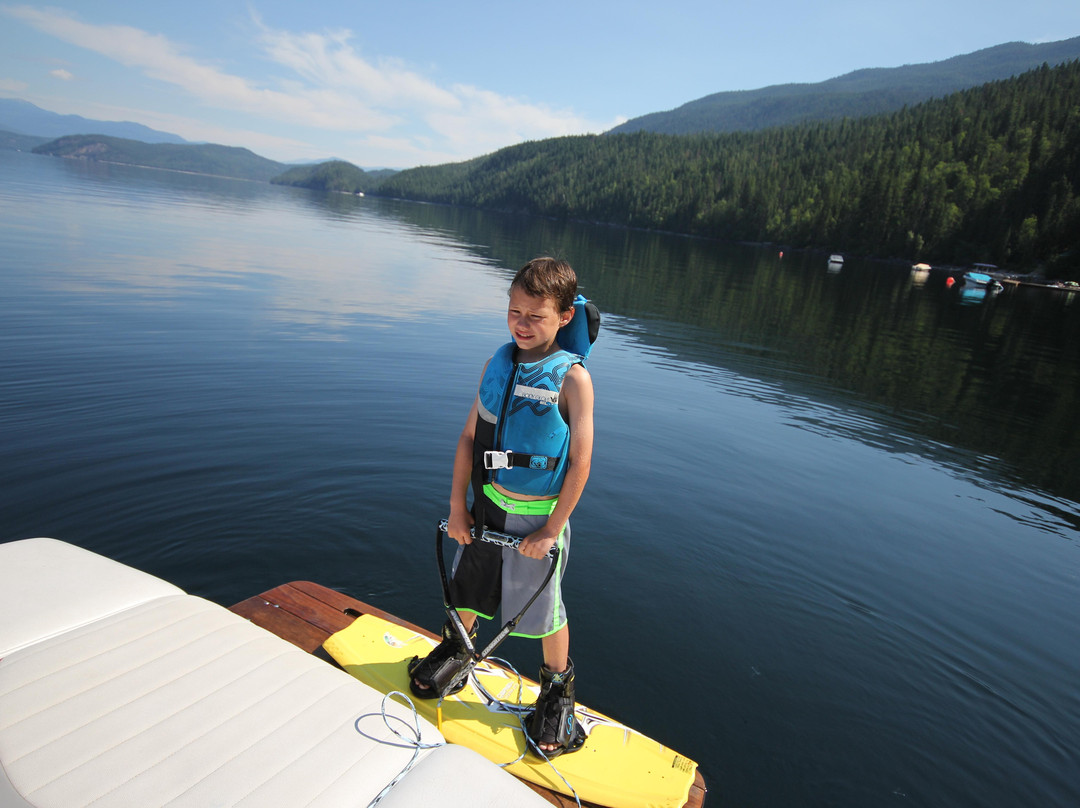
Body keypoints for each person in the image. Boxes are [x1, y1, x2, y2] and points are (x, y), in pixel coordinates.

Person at [408, 256, 597, 759]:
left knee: (544, 611)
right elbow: (470, 437)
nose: (521, 323)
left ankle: (557, 691)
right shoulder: (497, 364)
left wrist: (551, 530)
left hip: (539, 517)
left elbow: (580, 463)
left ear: (563, 317)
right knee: (467, 587)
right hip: (486, 504)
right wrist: (458, 506)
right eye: (514, 310)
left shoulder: (573, 380)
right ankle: (458, 649)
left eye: (535, 315)